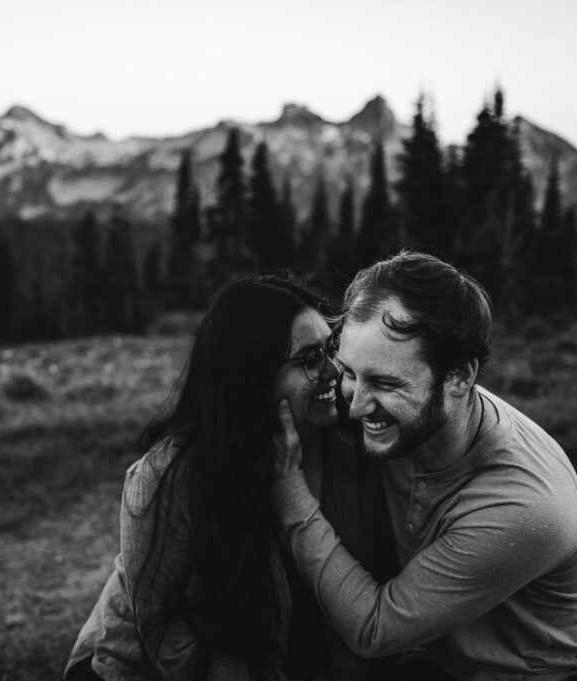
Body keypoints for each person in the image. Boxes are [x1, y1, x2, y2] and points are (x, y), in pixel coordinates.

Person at [273, 251, 577, 681]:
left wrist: (292, 495)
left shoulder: (524, 504)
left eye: (386, 383)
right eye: (350, 372)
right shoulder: (403, 419)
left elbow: (375, 628)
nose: (358, 403)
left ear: (459, 377)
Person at [66, 274, 365, 681]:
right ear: (253, 376)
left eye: (331, 347)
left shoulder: (348, 445)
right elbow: (165, 636)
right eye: (310, 359)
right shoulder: (167, 477)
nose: (333, 370)